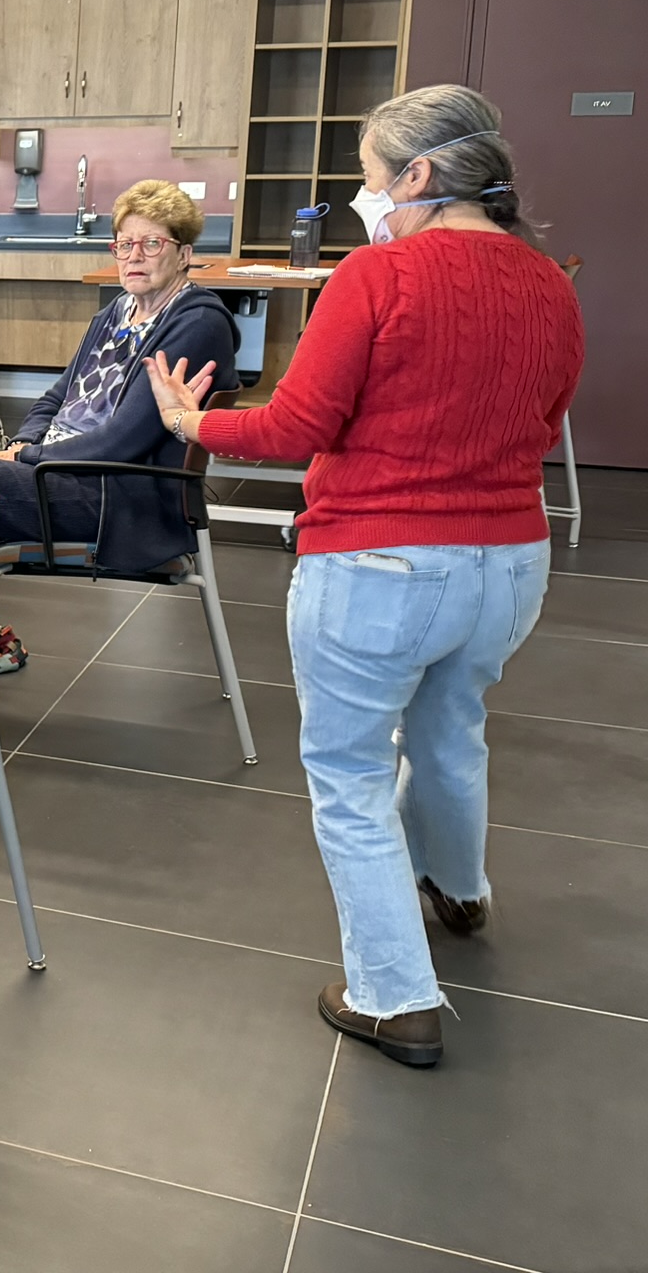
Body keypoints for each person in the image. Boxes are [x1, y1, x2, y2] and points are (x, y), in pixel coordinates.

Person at [143, 85, 582, 1068]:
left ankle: (391, 995)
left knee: (346, 773)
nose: (361, 193)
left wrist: (191, 425)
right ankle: (458, 892)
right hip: (508, 565)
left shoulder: (375, 278)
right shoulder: (549, 283)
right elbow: (542, 421)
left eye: (369, 174)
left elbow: (291, 427)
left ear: (417, 176)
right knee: (449, 723)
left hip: (378, 564)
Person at [0, 180, 238, 701]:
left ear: (185, 253)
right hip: (58, 476)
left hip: (118, 495)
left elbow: (124, 440)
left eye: (152, 244)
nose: (134, 255)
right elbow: (56, 396)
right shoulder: (114, 313)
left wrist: (26, 455)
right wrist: (24, 443)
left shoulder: (198, 321)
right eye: (124, 243)